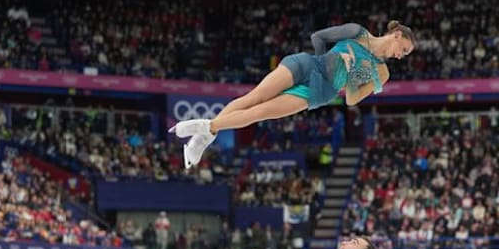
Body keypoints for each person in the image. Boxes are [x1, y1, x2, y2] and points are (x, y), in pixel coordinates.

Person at [173, 20, 415, 168]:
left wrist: (352, 71)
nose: (400, 56)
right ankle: (204, 135)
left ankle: (204, 129)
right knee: (253, 98)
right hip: (308, 65)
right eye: (403, 49)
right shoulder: (357, 32)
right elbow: (317, 37)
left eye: (405, 55)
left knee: (261, 112)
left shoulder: (381, 72)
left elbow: (352, 99)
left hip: (320, 90)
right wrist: (321, 61)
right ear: (397, 35)